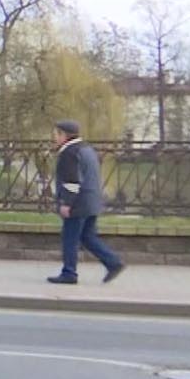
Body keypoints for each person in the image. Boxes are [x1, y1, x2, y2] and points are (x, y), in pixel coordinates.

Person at [50, 120, 125, 285]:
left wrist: (66, 203)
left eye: (56, 134)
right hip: (92, 201)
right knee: (88, 236)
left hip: (77, 203)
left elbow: (72, 181)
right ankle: (113, 263)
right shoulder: (87, 149)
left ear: (64, 135)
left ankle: (69, 273)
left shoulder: (69, 152)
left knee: (70, 238)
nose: (54, 137)